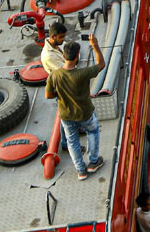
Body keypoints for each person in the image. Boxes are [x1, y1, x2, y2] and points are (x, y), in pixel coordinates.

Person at [44, 37, 105, 180]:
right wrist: (95, 45)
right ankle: (93, 162)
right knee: (92, 132)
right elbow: (101, 64)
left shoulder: (54, 75)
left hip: (66, 116)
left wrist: (59, 94)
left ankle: (81, 171)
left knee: (72, 142)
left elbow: (48, 95)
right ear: (77, 56)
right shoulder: (82, 73)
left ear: (64, 56)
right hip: (85, 113)